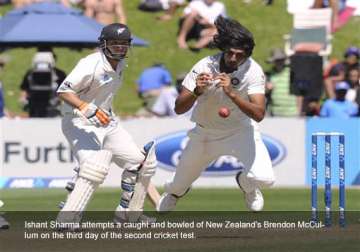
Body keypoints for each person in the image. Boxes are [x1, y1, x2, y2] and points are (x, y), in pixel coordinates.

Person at [157, 17, 275, 212]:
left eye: (240, 55)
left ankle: (247, 185)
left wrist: (232, 94)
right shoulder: (204, 66)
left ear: (246, 54)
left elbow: (259, 114)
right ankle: (175, 193)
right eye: (230, 53)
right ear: (223, 48)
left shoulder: (253, 71)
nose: (234, 58)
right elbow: (179, 108)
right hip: (205, 134)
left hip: (241, 132)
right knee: (177, 187)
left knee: (265, 179)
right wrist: (197, 91)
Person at [56, 23, 157, 224]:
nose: (119, 47)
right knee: (94, 167)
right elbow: (63, 91)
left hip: (107, 121)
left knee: (141, 164)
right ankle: (67, 220)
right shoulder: (90, 63)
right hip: (79, 121)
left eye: (123, 43)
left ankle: (128, 215)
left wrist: (159, 201)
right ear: (104, 44)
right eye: (114, 43)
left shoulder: (119, 64)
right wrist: (84, 106)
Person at [19, 51, 66, 117]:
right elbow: (24, 88)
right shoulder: (30, 73)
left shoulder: (59, 74)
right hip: (35, 106)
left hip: (53, 107)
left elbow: (65, 90)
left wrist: (61, 101)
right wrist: (23, 99)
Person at [265, 48, 298, 116]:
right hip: (276, 113)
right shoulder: (269, 75)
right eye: (277, 60)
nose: (279, 62)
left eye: (281, 60)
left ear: (284, 60)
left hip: (292, 112)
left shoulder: (292, 72)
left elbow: (299, 91)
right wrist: (267, 88)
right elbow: (263, 93)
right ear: (273, 61)